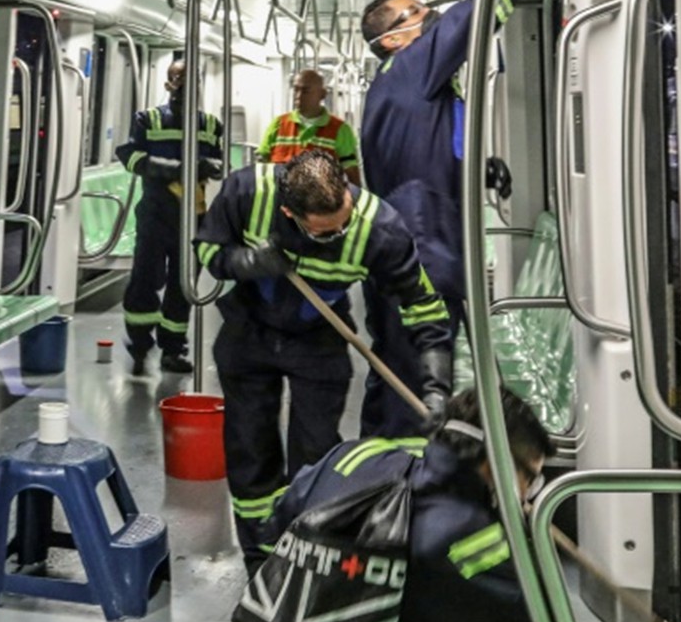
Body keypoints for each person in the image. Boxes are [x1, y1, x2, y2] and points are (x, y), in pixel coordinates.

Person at [193, 148, 453, 564]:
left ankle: (304, 551)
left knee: (316, 456)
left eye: (344, 221)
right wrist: (247, 261)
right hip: (249, 334)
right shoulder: (246, 191)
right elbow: (208, 250)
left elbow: (422, 308)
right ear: (289, 213)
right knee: (250, 449)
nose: (340, 233)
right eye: (326, 233)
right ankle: (261, 559)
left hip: (320, 336)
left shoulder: (378, 227)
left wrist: (437, 386)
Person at [356, 0, 560, 438]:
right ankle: (415, 485)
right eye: (417, 13)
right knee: (421, 383)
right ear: (395, 39)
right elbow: (476, 14)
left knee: (395, 370)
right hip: (423, 255)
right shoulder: (411, 67)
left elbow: (421, 151)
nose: (431, 16)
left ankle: (379, 468)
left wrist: (474, 167)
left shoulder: (397, 88)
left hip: (406, 251)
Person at [261, 386, 555, 622]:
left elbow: (277, 521)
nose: (526, 496)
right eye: (530, 478)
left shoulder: (351, 455)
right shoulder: (471, 543)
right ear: (496, 465)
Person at [113, 59, 225, 375]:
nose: (184, 85)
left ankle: (173, 350)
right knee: (144, 281)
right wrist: (177, 170)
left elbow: (217, 160)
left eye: (192, 79)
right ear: (167, 84)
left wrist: (210, 166)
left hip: (193, 216)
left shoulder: (211, 125)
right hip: (155, 214)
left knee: (182, 286)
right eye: (178, 79)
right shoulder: (148, 119)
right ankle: (139, 344)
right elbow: (132, 157)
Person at [256, 68, 362, 186]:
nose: (298, 95)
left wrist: (356, 201)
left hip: (320, 202)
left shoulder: (340, 130)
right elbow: (260, 167)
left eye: (305, 91)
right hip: (278, 199)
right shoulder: (278, 125)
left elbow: (352, 173)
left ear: (322, 94)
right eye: (296, 89)